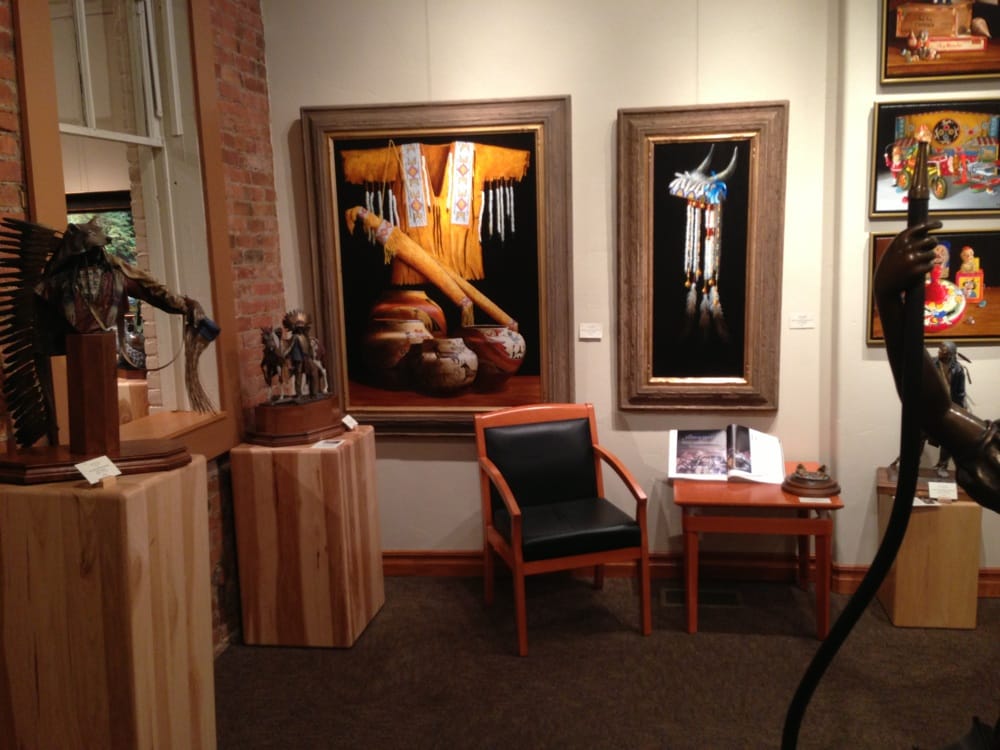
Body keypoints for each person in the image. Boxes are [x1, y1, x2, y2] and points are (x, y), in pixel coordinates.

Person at [873, 219, 1000, 513]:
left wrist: (888, 300)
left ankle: (941, 465)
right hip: (937, 412)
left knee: (941, 446)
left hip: (944, 411)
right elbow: (938, 413)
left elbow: (945, 410)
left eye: (945, 350)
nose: (942, 351)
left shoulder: (956, 370)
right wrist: (889, 302)